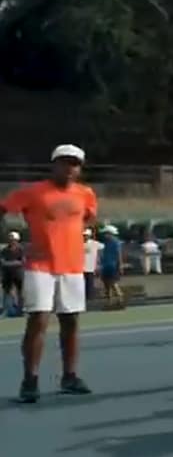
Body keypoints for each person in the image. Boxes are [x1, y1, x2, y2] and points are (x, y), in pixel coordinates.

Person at [0, 144, 98, 402]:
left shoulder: (85, 194)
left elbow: (85, 220)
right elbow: (3, 208)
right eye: (64, 162)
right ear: (54, 164)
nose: (69, 168)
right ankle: (29, 380)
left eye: (74, 163)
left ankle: (70, 376)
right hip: (40, 266)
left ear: (79, 168)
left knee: (71, 321)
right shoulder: (33, 192)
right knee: (38, 320)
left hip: (73, 266)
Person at [98, 225, 124, 309]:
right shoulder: (105, 243)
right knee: (106, 285)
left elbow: (119, 254)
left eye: (106, 233)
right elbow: (103, 254)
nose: (105, 235)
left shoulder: (116, 242)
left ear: (110, 233)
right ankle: (109, 302)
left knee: (113, 283)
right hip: (105, 266)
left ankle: (120, 299)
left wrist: (120, 265)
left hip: (113, 266)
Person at [1, 231, 24, 316]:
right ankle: (7, 310)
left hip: (19, 274)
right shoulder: (4, 250)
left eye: (13, 240)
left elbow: (23, 261)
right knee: (7, 292)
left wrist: (9, 263)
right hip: (7, 274)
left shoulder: (21, 250)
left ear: (17, 240)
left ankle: (20, 310)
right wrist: (15, 262)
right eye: (10, 240)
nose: (11, 241)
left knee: (20, 292)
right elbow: (2, 262)